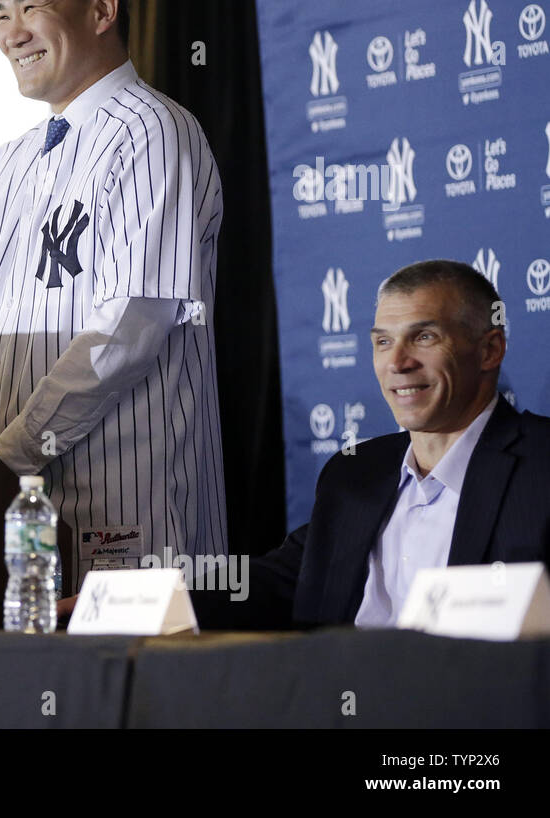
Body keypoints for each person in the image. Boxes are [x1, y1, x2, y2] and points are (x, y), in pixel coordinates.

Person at [0, 0, 227, 582]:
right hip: (17, 507)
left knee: (137, 685)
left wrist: (8, 454)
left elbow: (129, 329)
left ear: (102, 11)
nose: (11, 31)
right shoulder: (6, 162)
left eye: (32, 6)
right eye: (2, 13)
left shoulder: (153, 129)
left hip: (129, 509)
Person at [192, 260, 550, 629]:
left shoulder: (540, 465)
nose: (397, 362)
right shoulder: (354, 472)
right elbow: (282, 579)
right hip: (341, 681)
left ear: (490, 350)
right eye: (383, 341)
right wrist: (158, 603)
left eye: (424, 337)